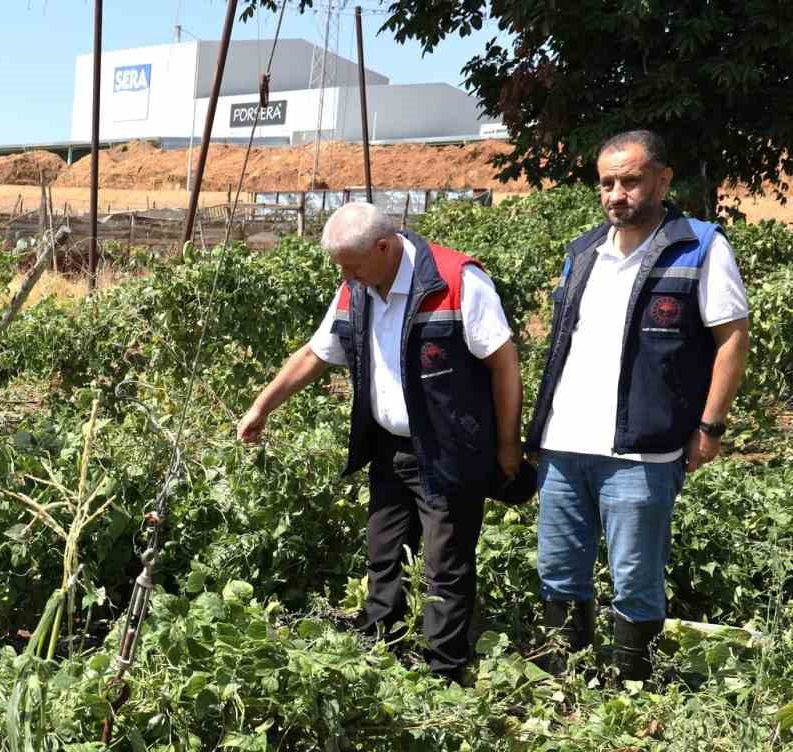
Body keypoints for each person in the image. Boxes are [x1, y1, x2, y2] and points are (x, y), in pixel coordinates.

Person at [235, 202, 523, 682]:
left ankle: (443, 676)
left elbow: (504, 362)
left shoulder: (456, 280)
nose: (345, 275)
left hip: (450, 449)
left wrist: (507, 443)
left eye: (351, 265)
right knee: (384, 556)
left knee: (444, 567)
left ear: (385, 248)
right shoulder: (357, 288)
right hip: (391, 448)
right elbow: (316, 353)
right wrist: (262, 406)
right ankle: (378, 659)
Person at [525, 130, 750, 681]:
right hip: (563, 444)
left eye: (630, 181)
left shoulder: (698, 245)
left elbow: (732, 336)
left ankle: (632, 690)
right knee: (558, 571)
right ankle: (565, 685)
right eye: (607, 183)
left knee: (634, 576)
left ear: (663, 180)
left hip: (642, 450)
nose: (616, 195)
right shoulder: (583, 252)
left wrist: (710, 425)